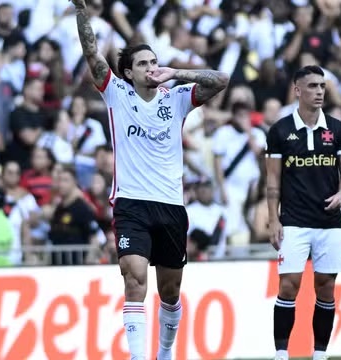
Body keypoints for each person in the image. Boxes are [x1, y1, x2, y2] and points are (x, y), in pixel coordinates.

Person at [71, 1, 230, 359]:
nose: (151, 68)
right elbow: (92, 52)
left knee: (170, 292)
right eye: (143, 63)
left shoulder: (175, 98)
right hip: (131, 202)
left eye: (154, 62)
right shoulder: (116, 92)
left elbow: (221, 80)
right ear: (127, 73)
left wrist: (176, 72)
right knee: (134, 278)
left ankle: (165, 351)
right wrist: (83, 12)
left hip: (171, 204)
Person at [265, 65, 341, 360]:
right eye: (313, 86)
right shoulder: (280, 130)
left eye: (322, 86)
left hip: (329, 221)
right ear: (297, 90)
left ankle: (320, 354)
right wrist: (273, 218)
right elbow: (273, 178)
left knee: (326, 288)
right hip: (294, 220)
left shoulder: (338, 129)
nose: (319, 92)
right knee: (288, 285)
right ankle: (281, 354)